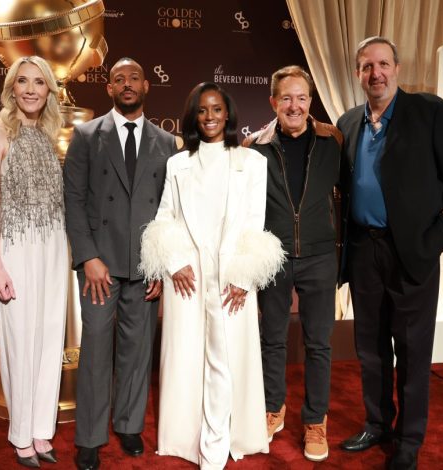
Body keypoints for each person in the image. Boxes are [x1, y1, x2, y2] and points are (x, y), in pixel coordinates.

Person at [336, 37, 443, 470]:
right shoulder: (348, 121)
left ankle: (409, 439)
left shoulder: (429, 111)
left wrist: (438, 239)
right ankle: (377, 424)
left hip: (412, 253)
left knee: (413, 350)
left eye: (382, 64)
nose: (375, 73)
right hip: (363, 250)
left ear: (397, 67)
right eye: (365, 66)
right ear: (357, 74)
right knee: (371, 348)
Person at [140, 82, 284, 469]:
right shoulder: (178, 163)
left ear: (228, 113)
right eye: (202, 110)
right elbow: (163, 219)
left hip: (232, 278)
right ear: (193, 116)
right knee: (187, 359)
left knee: (225, 358)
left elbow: (256, 223)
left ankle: (218, 445)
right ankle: (191, 439)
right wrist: (172, 263)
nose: (209, 117)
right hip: (188, 277)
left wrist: (243, 274)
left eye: (217, 109)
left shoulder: (252, 163)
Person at [63, 57, 178, 470]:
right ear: (108, 88)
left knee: (137, 349)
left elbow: (170, 211)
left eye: (133, 78)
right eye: (118, 79)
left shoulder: (166, 143)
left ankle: (129, 425)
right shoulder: (86, 134)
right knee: (94, 347)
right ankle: (90, 436)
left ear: (146, 85)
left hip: (144, 265)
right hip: (100, 266)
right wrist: (88, 257)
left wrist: (161, 266)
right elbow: (73, 202)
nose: (126, 84)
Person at [243, 65, 342, 462]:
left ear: (310, 102)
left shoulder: (332, 140)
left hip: (320, 256)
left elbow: (346, 197)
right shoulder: (255, 146)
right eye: (286, 97)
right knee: (273, 339)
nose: (294, 105)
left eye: (302, 97)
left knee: (319, 344)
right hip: (274, 257)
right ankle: (272, 407)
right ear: (272, 102)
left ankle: (316, 420)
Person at [0, 56, 67, 468]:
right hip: (14, 250)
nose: (31, 89)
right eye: (23, 82)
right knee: (18, 340)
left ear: (49, 90)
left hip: (53, 250)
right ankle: (20, 435)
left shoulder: (53, 136)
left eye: (39, 82)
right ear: (11, 88)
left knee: (51, 339)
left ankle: (41, 431)